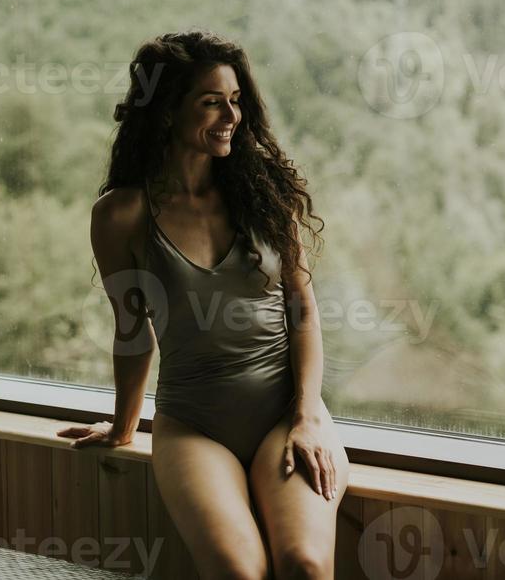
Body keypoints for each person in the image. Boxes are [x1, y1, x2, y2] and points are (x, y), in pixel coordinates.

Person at [56, 29, 350, 579]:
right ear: (167, 111)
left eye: (235, 101)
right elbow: (132, 330)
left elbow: (303, 311)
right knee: (241, 574)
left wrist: (309, 415)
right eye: (212, 101)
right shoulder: (120, 214)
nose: (230, 115)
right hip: (193, 424)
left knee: (306, 565)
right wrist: (124, 427)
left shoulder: (264, 196)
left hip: (286, 415)